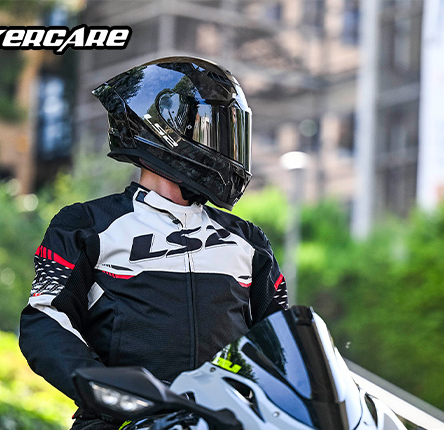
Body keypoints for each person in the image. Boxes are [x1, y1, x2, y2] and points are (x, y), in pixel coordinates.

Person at [19, 56, 288, 430]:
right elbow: (45, 320)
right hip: (122, 424)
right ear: (165, 128)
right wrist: (106, 391)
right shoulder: (86, 226)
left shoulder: (248, 241)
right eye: (212, 130)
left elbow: (281, 342)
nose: (226, 146)